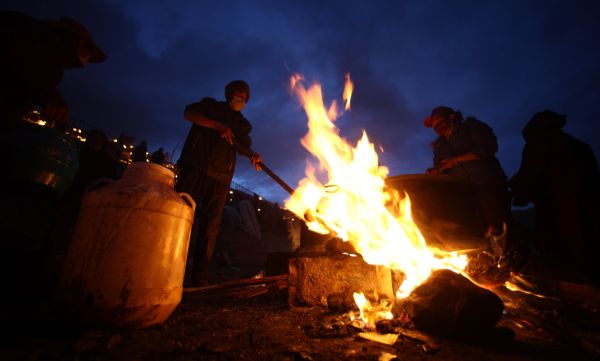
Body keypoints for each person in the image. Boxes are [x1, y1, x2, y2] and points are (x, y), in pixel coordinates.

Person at [176, 80, 262, 286]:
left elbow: (242, 146)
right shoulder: (210, 106)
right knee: (179, 216)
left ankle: (199, 277)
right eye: (236, 95)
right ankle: (168, 267)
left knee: (210, 228)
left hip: (221, 177)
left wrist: (252, 154)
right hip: (196, 167)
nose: (239, 99)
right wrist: (216, 125)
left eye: (243, 97)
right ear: (228, 94)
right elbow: (189, 114)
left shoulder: (242, 124)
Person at [509, 110, 600, 284]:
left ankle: (573, 282)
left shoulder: (538, 142)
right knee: (589, 237)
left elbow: (531, 171)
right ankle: (590, 277)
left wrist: (518, 192)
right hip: (589, 201)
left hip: (556, 202)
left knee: (562, 239)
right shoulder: (579, 145)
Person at [424, 106, 510, 255]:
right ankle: (483, 263)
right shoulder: (439, 145)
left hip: (487, 182)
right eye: (434, 127)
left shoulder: (471, 127)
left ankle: (507, 259)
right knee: (475, 231)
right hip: (463, 193)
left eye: (439, 123)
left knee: (496, 225)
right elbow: (441, 167)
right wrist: (435, 172)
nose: (437, 128)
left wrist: (457, 160)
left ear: (451, 117)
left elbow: (488, 147)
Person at [0, 11, 106, 130]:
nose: (85, 63)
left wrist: (50, 95)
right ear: (79, 43)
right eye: (87, 54)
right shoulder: (43, 47)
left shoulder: (44, 52)